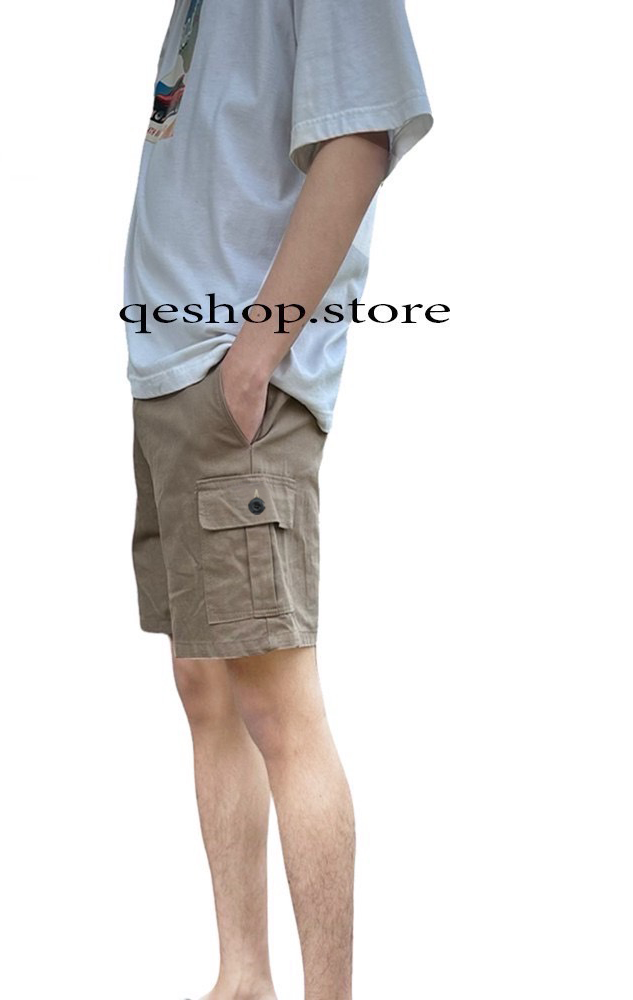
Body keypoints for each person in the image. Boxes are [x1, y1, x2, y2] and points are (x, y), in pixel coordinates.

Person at [121, 1, 433, 997]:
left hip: (231, 377)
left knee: (277, 701)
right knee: (208, 685)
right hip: (174, 375)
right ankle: (242, 978)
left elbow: (359, 136)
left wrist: (258, 351)